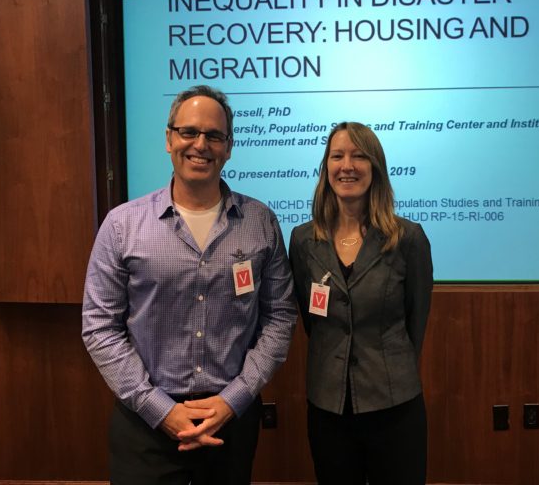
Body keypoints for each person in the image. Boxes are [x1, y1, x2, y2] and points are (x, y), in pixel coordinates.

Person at [82, 85, 297, 485]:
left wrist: (233, 400)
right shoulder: (122, 225)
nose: (201, 145)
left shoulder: (260, 223)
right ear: (169, 139)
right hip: (144, 425)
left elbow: (280, 317)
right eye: (189, 132)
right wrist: (159, 408)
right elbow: (99, 326)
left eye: (214, 136)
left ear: (229, 146)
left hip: (229, 423)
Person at [288, 122, 433, 485]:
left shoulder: (407, 239)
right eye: (337, 156)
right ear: (326, 169)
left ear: (376, 168)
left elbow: (417, 322)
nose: (347, 165)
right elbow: (312, 321)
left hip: (394, 405)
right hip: (328, 406)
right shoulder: (304, 241)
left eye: (359, 156)